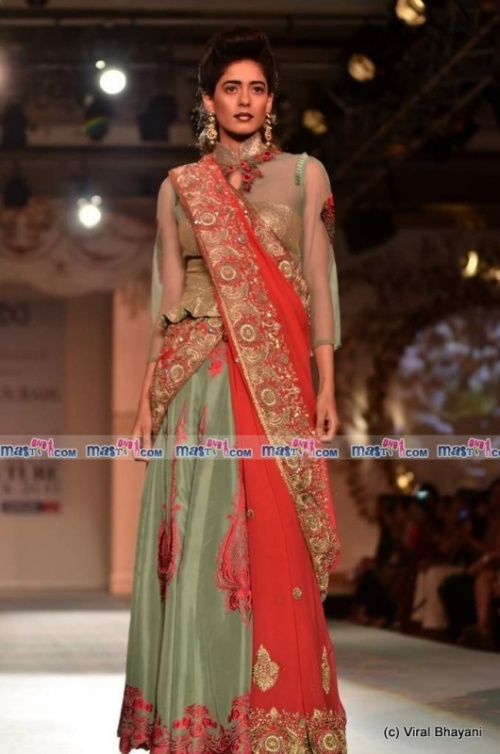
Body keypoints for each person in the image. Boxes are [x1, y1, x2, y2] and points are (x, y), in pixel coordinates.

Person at [117, 27, 346, 754]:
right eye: (230, 88)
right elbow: (166, 297)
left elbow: (320, 284)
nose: (244, 101)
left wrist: (327, 383)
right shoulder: (179, 188)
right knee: (197, 545)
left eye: (257, 88)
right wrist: (147, 397)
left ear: (272, 100)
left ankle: (276, 720)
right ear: (208, 100)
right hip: (194, 385)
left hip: (271, 384)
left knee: (272, 545)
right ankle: (196, 715)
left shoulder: (306, 175)